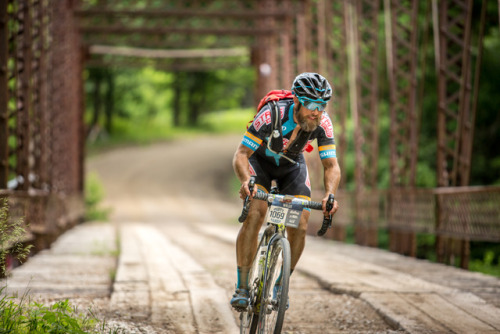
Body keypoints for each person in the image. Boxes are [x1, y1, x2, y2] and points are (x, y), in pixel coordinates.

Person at [231, 72, 341, 310]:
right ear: (297, 101)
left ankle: (282, 283)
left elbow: (331, 165)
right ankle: (242, 286)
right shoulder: (272, 114)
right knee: (256, 213)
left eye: (322, 105)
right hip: (260, 164)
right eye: (311, 104)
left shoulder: (322, 122)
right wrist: (246, 181)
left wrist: (330, 194)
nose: (317, 111)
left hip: (291, 167)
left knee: (300, 223)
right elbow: (241, 155)